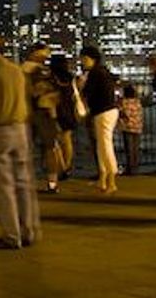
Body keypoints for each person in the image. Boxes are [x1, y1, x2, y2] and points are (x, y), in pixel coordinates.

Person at [0, 32, 37, 249]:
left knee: (3, 185)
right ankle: (28, 230)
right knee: (23, 183)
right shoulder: (18, 72)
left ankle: (12, 235)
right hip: (21, 129)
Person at [80, 46, 119, 194]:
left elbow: (87, 93)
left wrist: (81, 85)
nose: (83, 62)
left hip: (103, 112)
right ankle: (102, 179)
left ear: (93, 59)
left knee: (105, 146)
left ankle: (111, 181)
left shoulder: (95, 73)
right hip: (108, 111)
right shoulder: (103, 72)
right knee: (101, 146)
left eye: (85, 59)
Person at [21, 44, 55, 185]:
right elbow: (52, 92)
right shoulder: (44, 71)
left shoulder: (20, 70)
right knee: (49, 147)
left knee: (25, 147)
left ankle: (25, 178)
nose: (45, 57)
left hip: (25, 112)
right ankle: (52, 181)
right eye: (43, 54)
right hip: (43, 112)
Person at [49, 54, 81, 182]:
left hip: (56, 111)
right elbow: (75, 95)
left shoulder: (51, 79)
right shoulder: (70, 78)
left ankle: (61, 168)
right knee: (67, 140)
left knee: (55, 142)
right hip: (69, 112)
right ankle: (67, 167)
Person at [117, 85, 143, 176]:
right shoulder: (137, 102)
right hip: (137, 126)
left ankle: (130, 168)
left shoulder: (124, 102)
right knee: (135, 148)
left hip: (128, 126)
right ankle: (135, 167)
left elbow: (122, 113)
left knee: (129, 149)